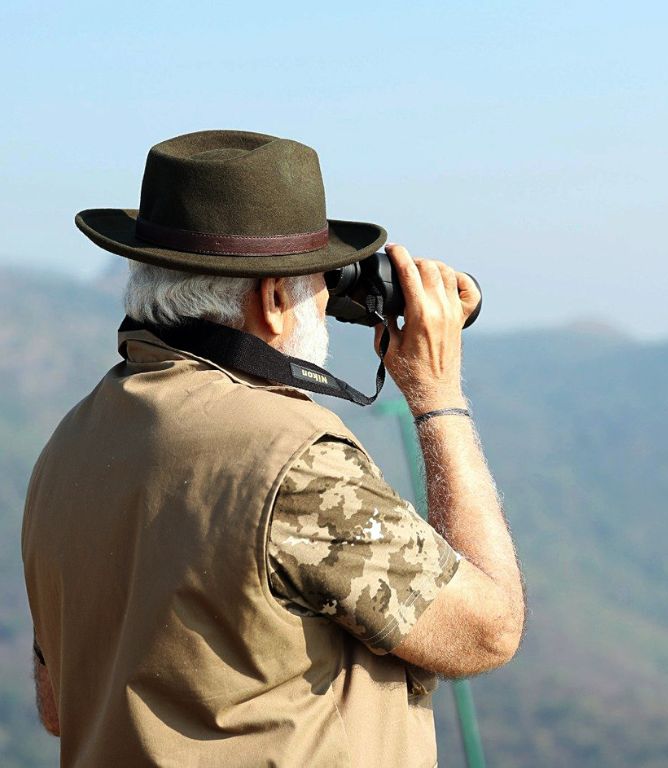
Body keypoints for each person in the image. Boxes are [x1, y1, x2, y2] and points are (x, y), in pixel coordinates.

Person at [21, 130, 525, 767]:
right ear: (272, 301)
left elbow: (57, 707)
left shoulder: (70, 447)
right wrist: (438, 397)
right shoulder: (296, 464)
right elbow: (487, 632)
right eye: (319, 282)